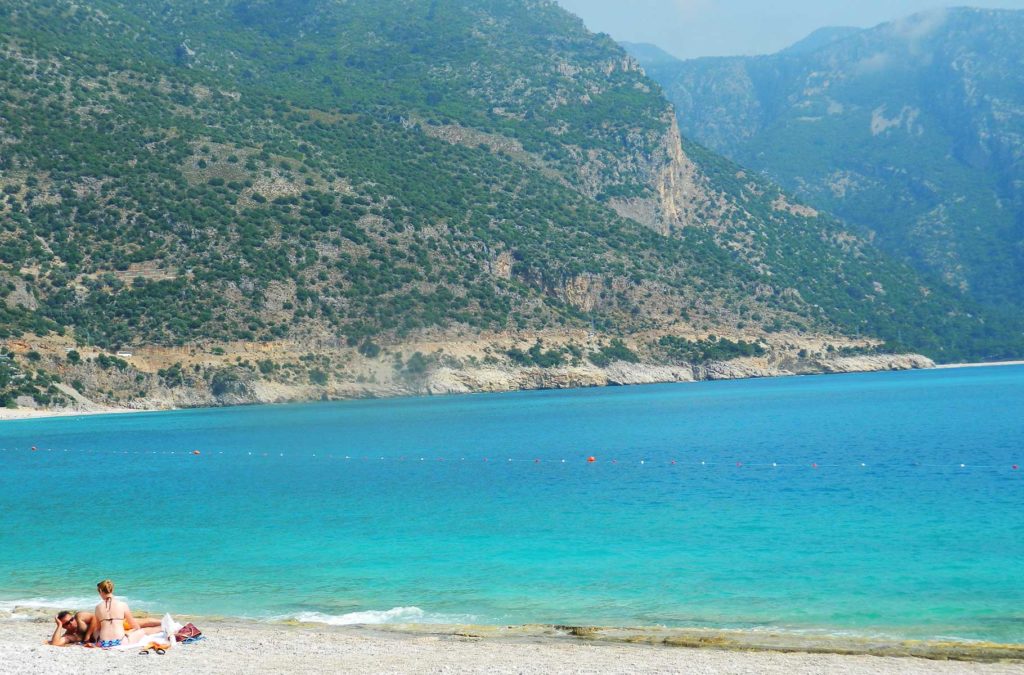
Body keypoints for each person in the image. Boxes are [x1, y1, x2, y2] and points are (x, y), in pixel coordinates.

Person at [84, 579, 160, 648]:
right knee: (142, 631)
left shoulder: (98, 607)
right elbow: (134, 626)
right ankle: (162, 628)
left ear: (100, 591)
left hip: (103, 643)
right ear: (112, 590)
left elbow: (98, 628)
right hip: (120, 642)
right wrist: (130, 632)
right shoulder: (122, 605)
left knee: (96, 631)